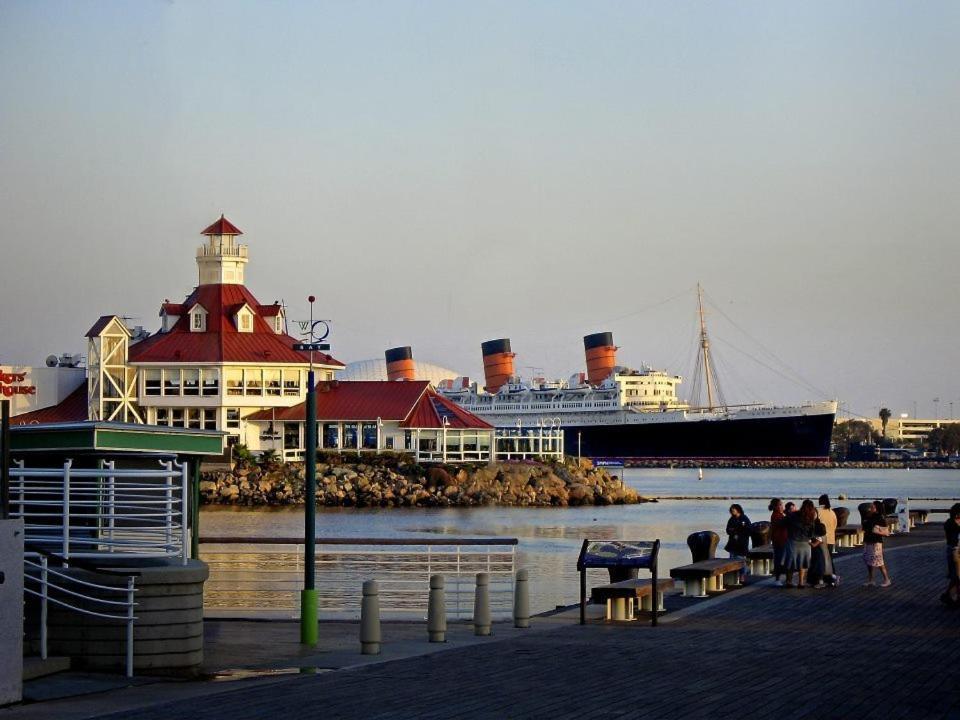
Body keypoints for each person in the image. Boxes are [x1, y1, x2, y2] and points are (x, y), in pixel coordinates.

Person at [785, 500, 817, 588]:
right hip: (805, 543)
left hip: (793, 541)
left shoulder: (794, 515)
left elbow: (785, 522)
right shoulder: (811, 517)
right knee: (802, 563)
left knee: (790, 562)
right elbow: (812, 532)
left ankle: (789, 581)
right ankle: (801, 582)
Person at [862, 500, 892, 587]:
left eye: (872, 507)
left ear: (877, 508)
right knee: (868, 560)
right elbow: (864, 527)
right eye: (870, 507)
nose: (870, 508)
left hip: (876, 541)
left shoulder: (880, 517)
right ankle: (871, 580)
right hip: (868, 540)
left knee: (878, 560)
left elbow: (884, 529)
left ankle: (886, 579)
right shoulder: (868, 516)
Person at [725, 503, 751, 582]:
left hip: (741, 544)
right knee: (731, 560)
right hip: (732, 544)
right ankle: (733, 577)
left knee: (741, 560)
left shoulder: (744, 518)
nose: (732, 512)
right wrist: (733, 532)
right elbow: (728, 530)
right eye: (731, 511)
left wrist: (739, 533)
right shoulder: (731, 519)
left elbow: (748, 529)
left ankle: (742, 576)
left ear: (738, 510)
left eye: (733, 510)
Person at [940, 503, 960, 606]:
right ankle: (949, 596)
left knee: (956, 577)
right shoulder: (953, 524)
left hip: (954, 550)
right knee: (957, 576)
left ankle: (949, 596)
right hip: (955, 551)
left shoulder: (950, 522)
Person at [769, 498, 789, 586]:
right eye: (780, 505)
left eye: (782, 504)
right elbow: (783, 524)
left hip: (782, 540)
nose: (782, 506)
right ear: (776, 506)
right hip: (779, 541)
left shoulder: (780, 514)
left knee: (781, 559)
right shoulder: (776, 515)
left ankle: (782, 578)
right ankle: (777, 579)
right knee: (779, 559)